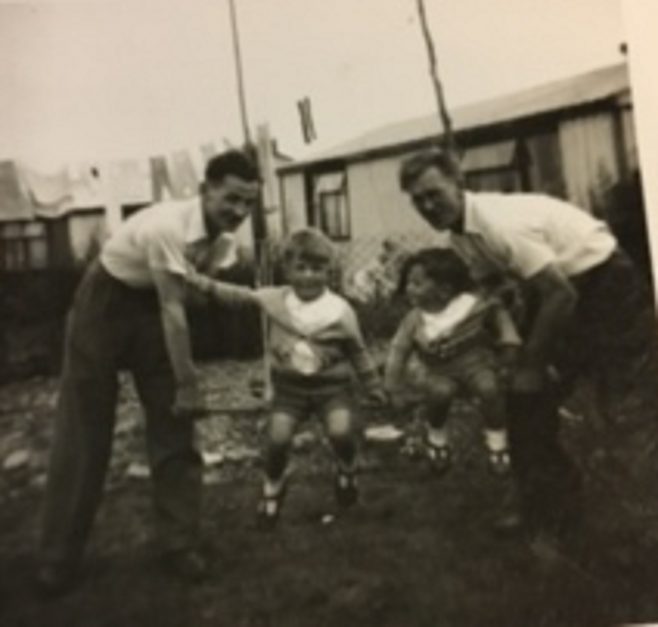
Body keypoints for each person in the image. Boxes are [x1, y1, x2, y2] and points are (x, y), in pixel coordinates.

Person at [397, 148, 658, 549]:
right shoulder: (460, 236)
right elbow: (503, 294)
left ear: (458, 184)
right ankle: (549, 507)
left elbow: (560, 295)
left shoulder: (497, 224)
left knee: (625, 407)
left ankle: (641, 523)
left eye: (434, 193)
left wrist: (532, 363)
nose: (427, 206)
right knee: (522, 401)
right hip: (562, 291)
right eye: (418, 200)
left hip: (607, 286)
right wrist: (500, 352)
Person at [36, 150, 260, 595]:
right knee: (87, 432)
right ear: (205, 190)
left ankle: (180, 544)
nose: (238, 212)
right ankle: (58, 558)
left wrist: (255, 302)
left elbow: (186, 296)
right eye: (231, 199)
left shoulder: (222, 243)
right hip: (104, 304)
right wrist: (190, 382)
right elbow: (174, 309)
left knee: (175, 421)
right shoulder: (165, 226)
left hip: (153, 310)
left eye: (248, 204)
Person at [186, 228, 386, 529]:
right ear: (287, 269)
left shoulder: (340, 312)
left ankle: (347, 469)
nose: (308, 276)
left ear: (329, 271)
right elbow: (237, 296)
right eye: (301, 268)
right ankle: (273, 485)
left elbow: (358, 351)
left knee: (341, 433)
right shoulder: (276, 300)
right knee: (277, 439)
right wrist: (198, 281)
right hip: (289, 390)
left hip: (332, 389)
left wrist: (373, 387)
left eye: (317, 268)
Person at [384, 247, 520, 477]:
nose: (409, 289)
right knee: (440, 392)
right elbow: (399, 350)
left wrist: (509, 342)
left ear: (444, 291)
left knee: (489, 388)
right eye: (408, 283)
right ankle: (436, 437)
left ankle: (497, 441)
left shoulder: (470, 308)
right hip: (438, 370)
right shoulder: (415, 320)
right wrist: (392, 385)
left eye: (417, 284)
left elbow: (498, 313)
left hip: (476, 365)